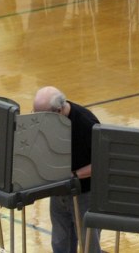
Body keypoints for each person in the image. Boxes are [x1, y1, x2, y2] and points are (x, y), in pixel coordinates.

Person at [33, 86, 101, 253]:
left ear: (59, 110)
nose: (38, 119)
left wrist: (73, 175)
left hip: (85, 194)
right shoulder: (48, 120)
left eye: (42, 115)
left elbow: (102, 163)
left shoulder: (87, 124)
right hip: (59, 190)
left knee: (88, 245)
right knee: (60, 243)